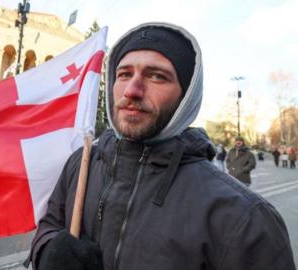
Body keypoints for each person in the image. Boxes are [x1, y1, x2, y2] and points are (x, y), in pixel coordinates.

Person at [26, 22, 295, 270]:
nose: (132, 89)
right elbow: (50, 223)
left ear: (186, 96)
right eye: (123, 73)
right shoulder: (81, 163)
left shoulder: (245, 219)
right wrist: (48, 248)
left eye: (156, 76)